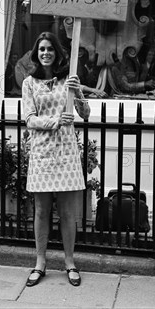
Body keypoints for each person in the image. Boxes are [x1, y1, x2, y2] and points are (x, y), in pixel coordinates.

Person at [21, 32, 91, 287]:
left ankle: (70, 262)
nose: (46, 53)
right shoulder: (29, 83)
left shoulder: (67, 80)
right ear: (36, 53)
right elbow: (29, 119)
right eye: (41, 49)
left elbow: (85, 113)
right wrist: (54, 121)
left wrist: (78, 91)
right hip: (42, 151)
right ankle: (40, 262)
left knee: (67, 212)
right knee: (41, 210)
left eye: (50, 49)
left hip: (66, 152)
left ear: (57, 52)